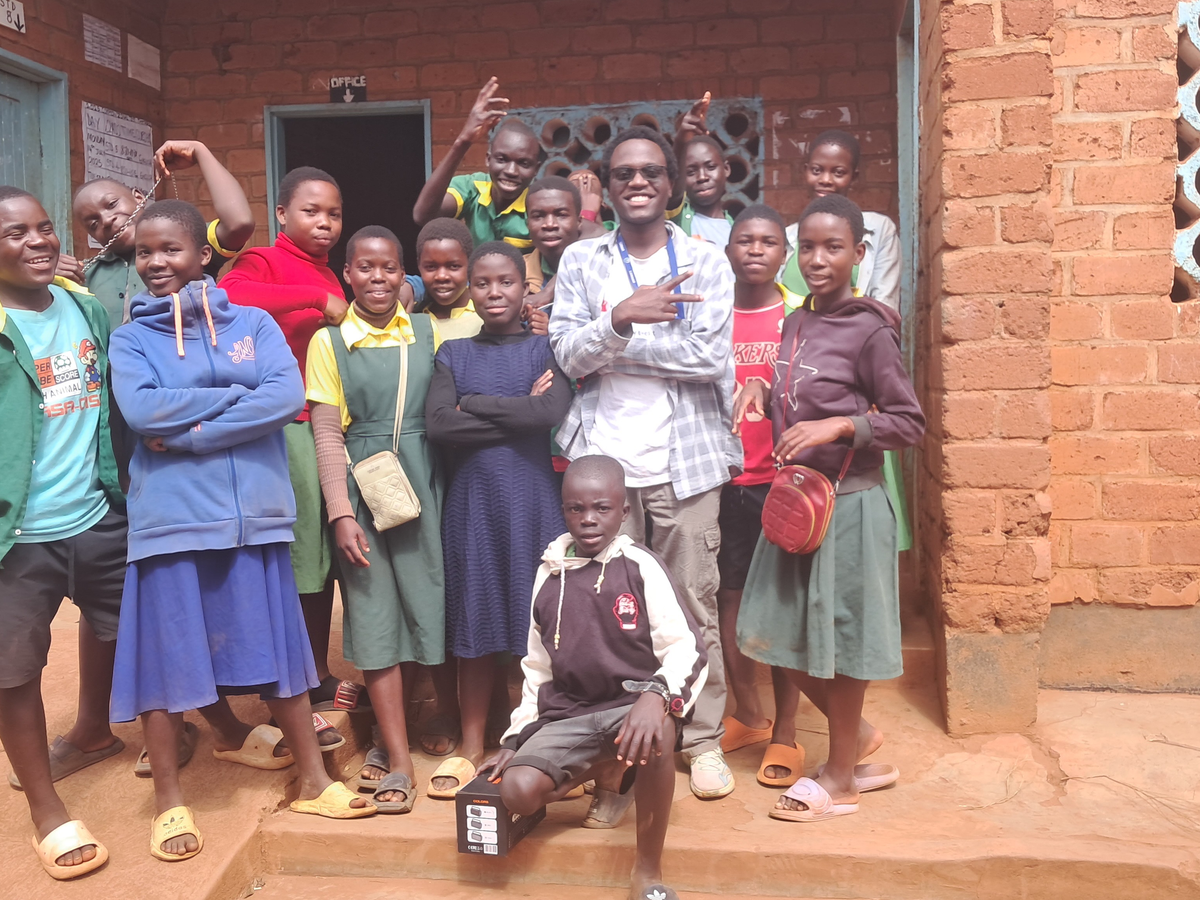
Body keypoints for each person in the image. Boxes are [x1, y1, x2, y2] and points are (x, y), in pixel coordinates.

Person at [109, 200, 376, 861]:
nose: (156, 262)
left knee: (282, 657)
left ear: (204, 255)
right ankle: (169, 801)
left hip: (253, 516)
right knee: (166, 662)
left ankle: (314, 781)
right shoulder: (131, 338)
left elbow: (283, 396)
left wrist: (193, 430)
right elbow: (143, 411)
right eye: (144, 252)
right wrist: (236, 396)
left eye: (170, 248)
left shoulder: (252, 323)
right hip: (171, 520)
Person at [548, 125, 740, 801]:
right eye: (624, 172)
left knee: (693, 606)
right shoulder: (582, 261)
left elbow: (709, 357)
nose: (637, 182)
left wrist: (612, 340)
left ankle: (702, 739)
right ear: (608, 183)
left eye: (651, 172)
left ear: (672, 183)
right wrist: (622, 317)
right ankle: (615, 745)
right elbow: (566, 353)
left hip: (686, 465)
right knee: (608, 613)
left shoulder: (706, 261)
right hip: (603, 469)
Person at [734, 194, 924, 823]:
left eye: (833, 248)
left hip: (850, 507)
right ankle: (854, 737)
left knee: (844, 641)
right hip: (797, 506)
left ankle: (840, 775)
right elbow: (803, 388)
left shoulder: (871, 331)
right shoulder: (796, 322)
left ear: (859, 254)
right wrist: (762, 385)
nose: (817, 260)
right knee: (767, 631)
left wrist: (841, 426)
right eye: (808, 247)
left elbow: (908, 422)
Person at [480, 455, 707, 900]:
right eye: (576, 508)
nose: (588, 519)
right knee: (518, 791)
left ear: (624, 511)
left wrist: (657, 694)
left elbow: (688, 648)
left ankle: (647, 869)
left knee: (659, 729)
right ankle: (603, 767)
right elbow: (537, 667)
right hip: (570, 715)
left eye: (602, 508)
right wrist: (515, 739)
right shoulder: (549, 572)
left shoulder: (640, 566)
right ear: (563, 510)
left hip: (631, 710)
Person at [0, 186, 126, 880]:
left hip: (95, 510)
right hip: (17, 535)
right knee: (14, 667)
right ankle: (46, 809)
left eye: (44, 228)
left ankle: (94, 730)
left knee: (114, 625)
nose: (38, 242)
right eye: (15, 234)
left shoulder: (84, 308)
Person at [220, 166, 370, 726]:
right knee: (303, 552)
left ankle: (312, 672)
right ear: (282, 214)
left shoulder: (334, 273)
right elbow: (230, 296)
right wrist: (314, 296)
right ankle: (299, 678)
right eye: (311, 211)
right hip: (287, 423)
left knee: (323, 553)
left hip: (328, 423)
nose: (324, 223)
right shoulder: (263, 261)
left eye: (334, 213)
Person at [306, 225, 445, 814]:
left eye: (389, 267)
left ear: (402, 273)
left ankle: (394, 738)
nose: (378, 278)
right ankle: (400, 760)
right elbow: (326, 434)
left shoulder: (426, 330)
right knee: (373, 616)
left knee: (421, 610)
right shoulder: (329, 342)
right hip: (362, 493)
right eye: (365, 267)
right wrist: (340, 513)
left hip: (423, 489)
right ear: (347, 274)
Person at [425, 242, 572, 798]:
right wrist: (518, 413)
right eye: (482, 282)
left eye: (506, 282)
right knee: (476, 619)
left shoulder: (544, 349)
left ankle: (534, 738)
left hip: (533, 502)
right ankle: (470, 745)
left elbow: (549, 412)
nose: (494, 292)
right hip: (474, 505)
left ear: (524, 288)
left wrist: (477, 403)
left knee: (538, 624)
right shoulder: (454, 353)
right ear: (470, 289)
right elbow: (439, 425)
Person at [781, 129, 913, 554]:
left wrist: (862, 349)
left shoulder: (876, 229)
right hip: (810, 366)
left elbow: (885, 299)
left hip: (852, 368)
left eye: (837, 171)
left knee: (857, 485)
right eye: (817, 169)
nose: (816, 259)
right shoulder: (790, 238)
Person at [716, 205, 809, 789]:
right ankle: (749, 715)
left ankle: (787, 731)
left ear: (785, 254)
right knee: (727, 596)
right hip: (722, 478)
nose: (755, 250)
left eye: (768, 241)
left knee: (783, 602)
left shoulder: (800, 316)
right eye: (744, 240)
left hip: (781, 480)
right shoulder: (710, 313)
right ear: (727, 250)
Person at [72, 139, 256, 331]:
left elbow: (239, 224)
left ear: (139, 197)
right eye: (94, 224)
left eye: (112, 204)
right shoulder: (85, 274)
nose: (107, 220)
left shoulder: (186, 243)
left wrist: (199, 151)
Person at [413, 77, 541, 249]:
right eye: (502, 159)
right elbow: (424, 216)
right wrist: (463, 141)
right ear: (488, 159)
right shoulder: (473, 188)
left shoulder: (540, 203)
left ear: (536, 169)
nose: (511, 171)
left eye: (523, 163)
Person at [669, 94, 734, 247]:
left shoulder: (737, 228)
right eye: (690, 172)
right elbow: (673, 191)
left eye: (710, 167)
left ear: (726, 169)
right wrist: (681, 140)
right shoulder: (676, 219)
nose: (702, 177)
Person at [414, 217, 482, 342]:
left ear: (471, 264)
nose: (442, 276)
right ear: (419, 265)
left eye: (454, 266)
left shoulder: (487, 315)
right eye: (431, 267)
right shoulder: (411, 320)